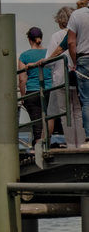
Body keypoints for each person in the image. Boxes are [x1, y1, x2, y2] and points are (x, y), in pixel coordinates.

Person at [43, 7, 73, 146]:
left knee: (52, 113)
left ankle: (44, 142)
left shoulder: (56, 36)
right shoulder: (78, 33)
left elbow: (49, 61)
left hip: (60, 79)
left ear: (60, 21)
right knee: (77, 111)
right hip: (76, 78)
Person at [66, 0, 89, 146]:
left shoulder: (77, 15)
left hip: (84, 59)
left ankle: (88, 136)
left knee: (86, 100)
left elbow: (70, 42)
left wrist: (75, 62)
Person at [18, 27, 46, 144]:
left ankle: (39, 146)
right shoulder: (48, 53)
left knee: (37, 124)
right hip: (50, 90)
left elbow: (22, 78)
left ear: (29, 40)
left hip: (32, 92)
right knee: (50, 119)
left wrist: (23, 96)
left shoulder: (24, 56)